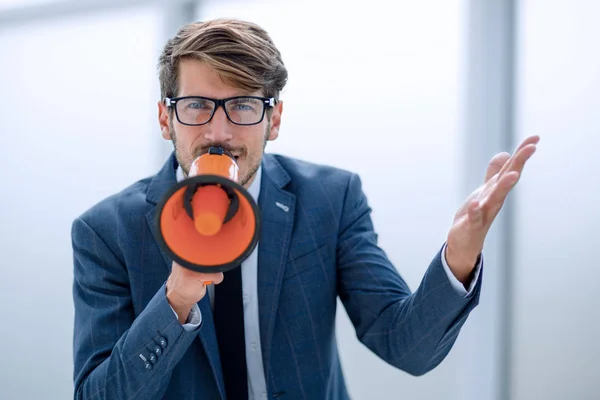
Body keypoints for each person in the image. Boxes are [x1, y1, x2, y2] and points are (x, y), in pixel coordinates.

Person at [71, 18, 538, 400]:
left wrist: (458, 257)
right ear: (164, 117)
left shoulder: (330, 200)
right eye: (196, 106)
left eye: (242, 106)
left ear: (273, 119)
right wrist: (174, 300)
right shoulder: (106, 231)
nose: (217, 131)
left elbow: (406, 348)